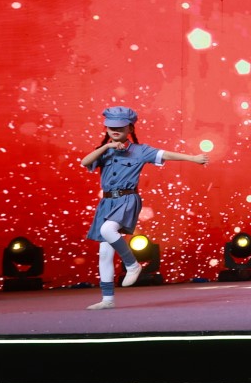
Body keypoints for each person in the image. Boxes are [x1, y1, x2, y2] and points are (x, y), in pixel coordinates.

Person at [79, 106, 207, 309]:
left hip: (127, 200)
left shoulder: (140, 151)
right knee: (104, 252)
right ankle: (108, 299)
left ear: (130, 128)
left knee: (107, 230)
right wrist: (106, 147)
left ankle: (132, 264)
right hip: (107, 203)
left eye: (120, 127)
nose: (115, 131)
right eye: (111, 127)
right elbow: (84, 162)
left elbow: (166, 154)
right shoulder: (103, 151)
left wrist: (192, 158)